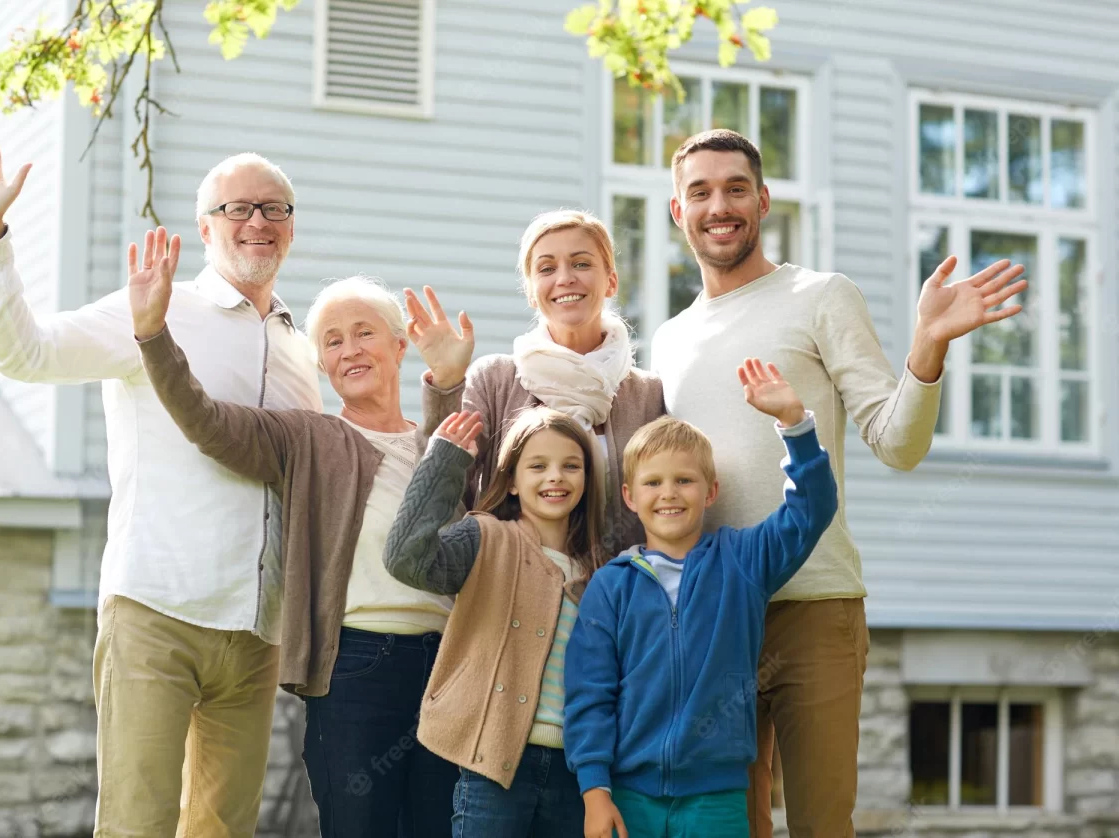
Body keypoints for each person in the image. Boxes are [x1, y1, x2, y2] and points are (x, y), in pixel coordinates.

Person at [651, 129, 1029, 837]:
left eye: (736, 188)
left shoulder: (820, 296)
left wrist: (927, 350)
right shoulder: (669, 340)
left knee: (822, 823)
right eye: (699, 192)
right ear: (679, 212)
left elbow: (897, 442)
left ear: (762, 201)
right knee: (729, 823)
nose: (719, 205)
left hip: (816, 607)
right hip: (711, 619)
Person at [0, 130, 323, 836]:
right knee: (136, 825)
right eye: (238, 208)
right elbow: (22, 352)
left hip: (255, 634)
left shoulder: (299, 348)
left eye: (275, 209)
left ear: (292, 226)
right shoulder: (152, 307)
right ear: (205, 225)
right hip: (157, 610)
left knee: (223, 830)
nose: (258, 223)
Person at [125, 236, 459, 838]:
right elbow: (207, 422)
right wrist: (153, 336)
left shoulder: (435, 442)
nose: (349, 349)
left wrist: (450, 380)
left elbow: (451, 483)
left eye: (364, 333)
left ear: (399, 345)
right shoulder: (308, 438)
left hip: (445, 666)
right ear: (322, 363)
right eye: (332, 341)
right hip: (357, 665)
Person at [564, 359, 838, 838]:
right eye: (653, 482)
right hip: (629, 796)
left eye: (684, 480)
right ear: (630, 496)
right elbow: (589, 693)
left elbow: (812, 510)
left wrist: (795, 423)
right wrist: (594, 791)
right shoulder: (611, 585)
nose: (669, 494)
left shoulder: (743, 562)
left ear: (711, 491)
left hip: (718, 797)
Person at [383, 407, 608, 837]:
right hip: (492, 764)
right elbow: (405, 558)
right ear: (512, 479)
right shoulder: (483, 538)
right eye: (538, 466)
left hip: (574, 774)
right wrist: (445, 462)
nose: (555, 477)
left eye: (571, 466)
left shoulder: (600, 570)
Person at [409, 209, 664, 557]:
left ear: (611, 281)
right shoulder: (495, 380)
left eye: (581, 263)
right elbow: (444, 484)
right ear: (530, 292)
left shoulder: (649, 395)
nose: (564, 278)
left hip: (616, 601)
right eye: (546, 268)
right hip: (513, 594)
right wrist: (447, 385)